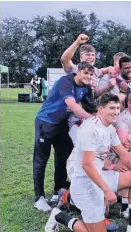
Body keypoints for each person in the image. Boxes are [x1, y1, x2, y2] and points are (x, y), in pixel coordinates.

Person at [45, 93, 131, 232]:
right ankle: (59, 216)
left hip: (99, 176)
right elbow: (87, 165)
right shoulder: (89, 129)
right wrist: (107, 190)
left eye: (117, 108)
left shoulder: (109, 128)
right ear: (101, 109)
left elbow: (123, 154)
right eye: (111, 108)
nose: (116, 111)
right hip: (84, 183)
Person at [33, 62, 96, 212]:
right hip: (45, 122)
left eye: (91, 74)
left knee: (63, 157)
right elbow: (73, 106)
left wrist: (104, 114)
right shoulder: (65, 81)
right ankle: (39, 198)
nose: (88, 76)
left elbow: (92, 107)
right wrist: (94, 120)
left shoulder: (86, 87)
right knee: (41, 160)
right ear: (78, 71)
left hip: (61, 124)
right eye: (85, 73)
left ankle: (57, 190)